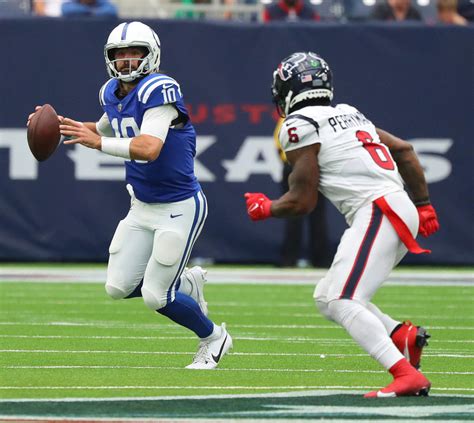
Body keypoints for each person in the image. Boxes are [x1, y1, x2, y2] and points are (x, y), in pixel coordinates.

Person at [29, 21, 232, 369]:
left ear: (150, 55)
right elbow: (102, 128)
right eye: (119, 54)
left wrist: (99, 143)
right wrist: (59, 126)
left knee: (156, 295)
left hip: (178, 206)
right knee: (117, 287)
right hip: (141, 205)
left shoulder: (160, 89)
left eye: (134, 53)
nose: (125, 61)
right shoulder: (112, 92)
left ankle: (214, 338)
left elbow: (149, 148)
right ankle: (187, 284)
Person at [244, 51, 440, 397]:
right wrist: (423, 205)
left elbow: (302, 201)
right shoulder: (349, 113)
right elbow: (404, 150)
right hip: (395, 207)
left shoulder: (298, 124)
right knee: (327, 296)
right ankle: (401, 335)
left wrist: (267, 208)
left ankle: (404, 373)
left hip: (378, 210)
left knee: (342, 299)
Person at [274, 118, 330, 268]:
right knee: (315, 214)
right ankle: (320, 260)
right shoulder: (319, 117)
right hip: (314, 165)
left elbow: (278, 144)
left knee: (293, 211)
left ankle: (289, 259)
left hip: (294, 165)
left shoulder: (288, 118)